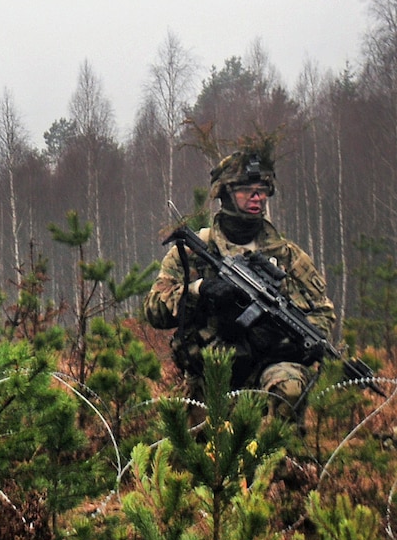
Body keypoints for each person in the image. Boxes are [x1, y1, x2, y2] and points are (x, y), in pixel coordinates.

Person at [143, 140, 336, 430]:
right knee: (200, 458)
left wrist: (295, 346)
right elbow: (154, 311)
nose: (257, 196)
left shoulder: (287, 255)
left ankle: (280, 464)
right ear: (226, 193)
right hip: (212, 369)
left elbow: (322, 311)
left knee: (289, 386)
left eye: (262, 190)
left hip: (270, 366)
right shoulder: (198, 250)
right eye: (247, 189)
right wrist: (198, 290)